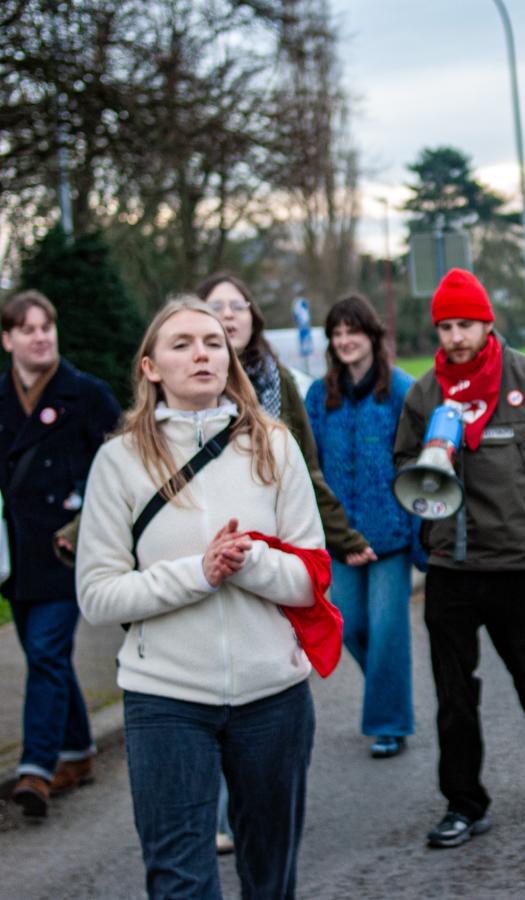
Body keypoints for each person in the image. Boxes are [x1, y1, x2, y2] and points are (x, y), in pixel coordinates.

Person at [76, 297, 325, 898]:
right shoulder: (118, 460)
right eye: (182, 344)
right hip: (166, 699)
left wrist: (247, 561)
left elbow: (310, 579)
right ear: (150, 367)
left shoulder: (274, 445)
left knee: (271, 876)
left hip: (273, 695)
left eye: (213, 343)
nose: (202, 354)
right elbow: (98, 595)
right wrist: (200, 572)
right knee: (178, 879)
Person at [394, 268, 525, 850]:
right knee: (454, 696)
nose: (455, 337)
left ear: (487, 324)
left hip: (518, 561)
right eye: (445, 327)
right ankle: (464, 803)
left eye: (465, 325)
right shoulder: (425, 394)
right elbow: (404, 465)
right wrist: (428, 469)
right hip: (450, 565)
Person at [197, 273, 372, 854]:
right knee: (210, 681)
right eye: (215, 307)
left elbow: (307, 469)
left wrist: (341, 536)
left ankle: (261, 808)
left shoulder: (279, 385)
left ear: (252, 315)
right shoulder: (180, 392)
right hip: (206, 552)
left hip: (272, 554)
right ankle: (221, 814)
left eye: (236, 306)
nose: (227, 315)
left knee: (266, 683)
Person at [1, 291, 120, 817]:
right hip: (15, 556)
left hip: (69, 550)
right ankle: (78, 752)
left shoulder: (87, 395)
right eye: (28, 329)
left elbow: (122, 465)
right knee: (43, 655)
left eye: (46, 326)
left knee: (47, 652)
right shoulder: (1, 398)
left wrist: (87, 521)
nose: (40, 336)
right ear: (8, 339)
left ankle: (36, 767)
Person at [304, 294, 416, 759]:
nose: (345, 340)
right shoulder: (319, 395)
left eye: (353, 331)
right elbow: (310, 464)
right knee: (349, 626)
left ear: (372, 335)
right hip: (340, 536)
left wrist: (416, 527)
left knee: (387, 630)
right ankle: (390, 694)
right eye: (337, 333)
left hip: (391, 535)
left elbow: (416, 461)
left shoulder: (401, 389)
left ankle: (389, 723)